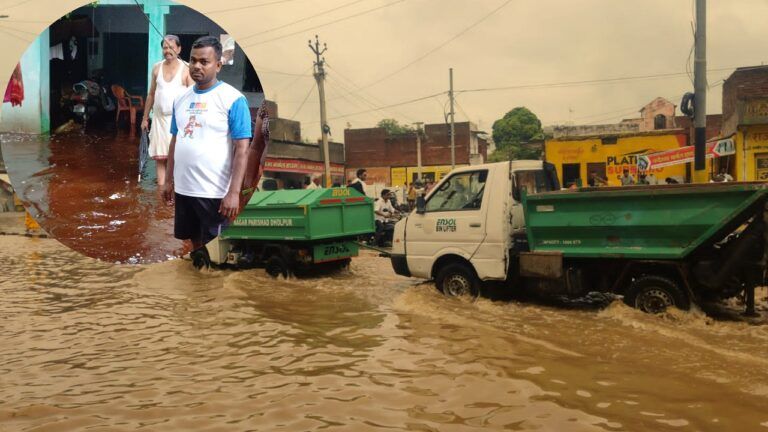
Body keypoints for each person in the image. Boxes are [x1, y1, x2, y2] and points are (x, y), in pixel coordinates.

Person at [161, 36, 252, 266]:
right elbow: (175, 141)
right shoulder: (181, 98)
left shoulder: (233, 99)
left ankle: (214, 296)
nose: (197, 66)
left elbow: (242, 149)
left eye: (204, 61)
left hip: (215, 193)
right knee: (193, 246)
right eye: (193, 61)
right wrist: (168, 181)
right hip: (184, 190)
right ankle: (196, 294)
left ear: (218, 65)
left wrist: (234, 192)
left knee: (218, 252)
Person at [141, 35, 192, 186]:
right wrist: (145, 118)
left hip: (179, 122)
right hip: (159, 119)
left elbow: (193, 99)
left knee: (176, 158)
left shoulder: (187, 68)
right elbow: (151, 94)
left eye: (171, 47)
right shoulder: (157, 67)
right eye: (165, 47)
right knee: (160, 158)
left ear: (179, 49)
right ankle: (161, 193)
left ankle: (175, 190)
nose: (168, 51)